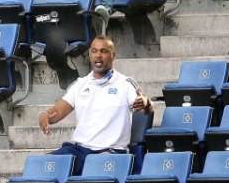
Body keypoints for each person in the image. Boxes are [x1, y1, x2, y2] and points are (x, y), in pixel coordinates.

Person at [39, 35, 153, 175]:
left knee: (94, 172)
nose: (98, 55)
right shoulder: (80, 84)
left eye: (103, 51)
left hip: (111, 151)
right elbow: (57, 111)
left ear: (113, 55)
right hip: (79, 150)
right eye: (94, 51)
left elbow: (146, 109)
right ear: (89, 54)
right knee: (45, 167)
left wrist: (146, 103)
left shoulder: (125, 84)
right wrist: (45, 115)